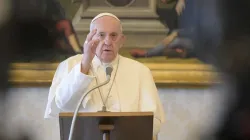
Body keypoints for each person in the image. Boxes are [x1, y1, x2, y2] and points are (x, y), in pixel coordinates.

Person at [44, 13, 165, 137]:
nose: (107, 41)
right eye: (101, 35)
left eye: (113, 36)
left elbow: (153, 121)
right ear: (90, 38)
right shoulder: (70, 65)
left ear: (122, 40)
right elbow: (63, 104)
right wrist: (85, 63)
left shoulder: (140, 71)